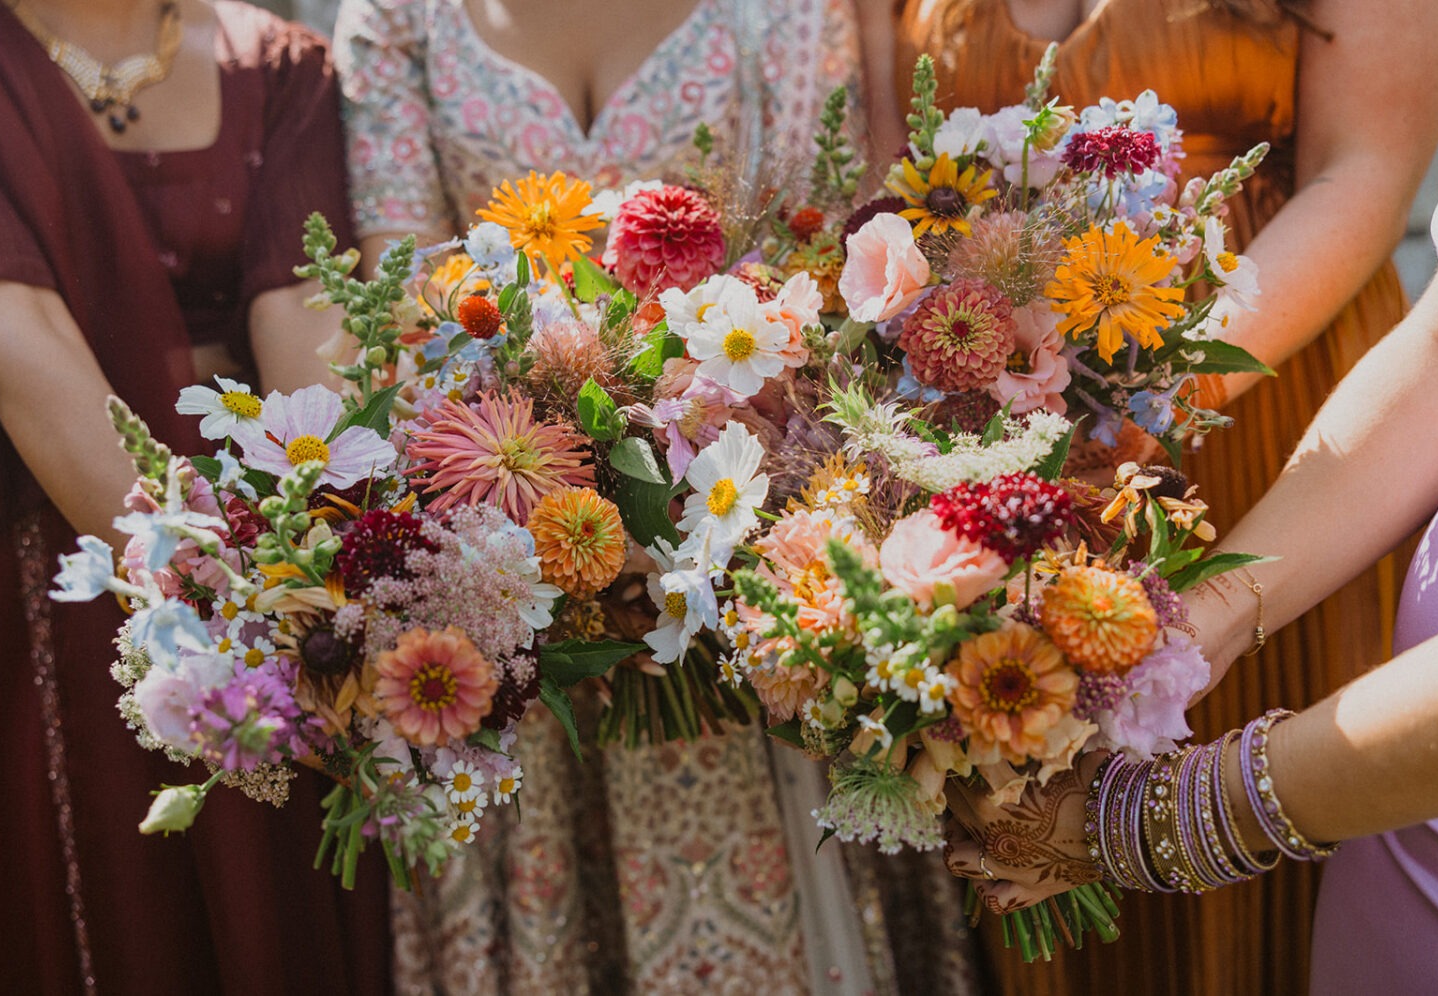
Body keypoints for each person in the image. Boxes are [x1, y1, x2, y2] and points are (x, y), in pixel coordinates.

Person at [333, 1, 984, 992]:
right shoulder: (396, 20)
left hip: (740, 586)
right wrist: (547, 508)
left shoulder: (786, 12)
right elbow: (409, 314)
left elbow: (827, 279)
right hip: (515, 603)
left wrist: (707, 497)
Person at [850, 0, 1438, 992]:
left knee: (1272, 884)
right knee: (1039, 814)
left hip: (1263, 411)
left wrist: (1133, 391)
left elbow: (1361, 169)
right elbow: (883, 193)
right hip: (1008, 434)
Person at [0, 0, 388, 991]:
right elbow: (15, 334)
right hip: (54, 569)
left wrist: (313, 578)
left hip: (273, 556)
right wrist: (213, 594)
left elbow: (304, 326)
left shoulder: (282, 68)